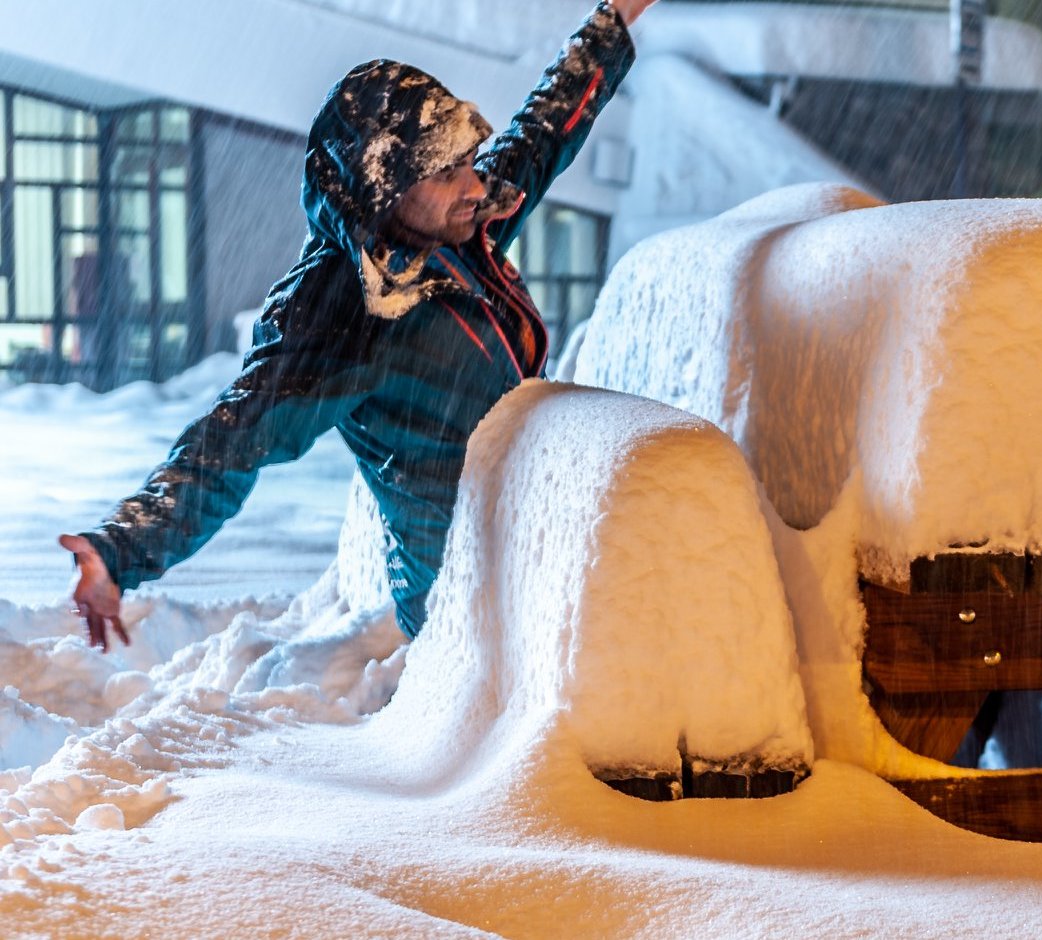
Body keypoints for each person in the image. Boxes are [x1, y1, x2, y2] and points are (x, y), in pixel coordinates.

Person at [60, 0, 658, 649]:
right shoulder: (338, 308)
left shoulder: (450, 229)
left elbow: (541, 132)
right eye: (445, 171)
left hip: (535, 548)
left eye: (466, 160)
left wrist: (614, 18)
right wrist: (118, 549)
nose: (472, 184)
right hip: (468, 603)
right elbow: (229, 446)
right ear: (385, 186)